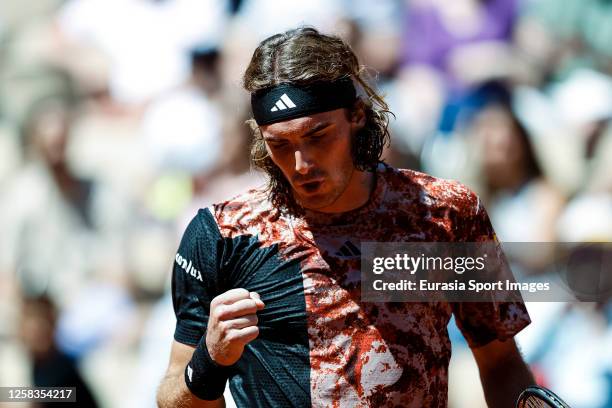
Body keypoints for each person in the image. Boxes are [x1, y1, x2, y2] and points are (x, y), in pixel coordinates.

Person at [157, 27, 534, 408]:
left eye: (318, 136)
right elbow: (173, 395)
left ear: (356, 115)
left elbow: (501, 362)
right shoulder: (222, 234)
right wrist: (208, 361)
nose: (301, 164)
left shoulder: (447, 213)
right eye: (280, 145)